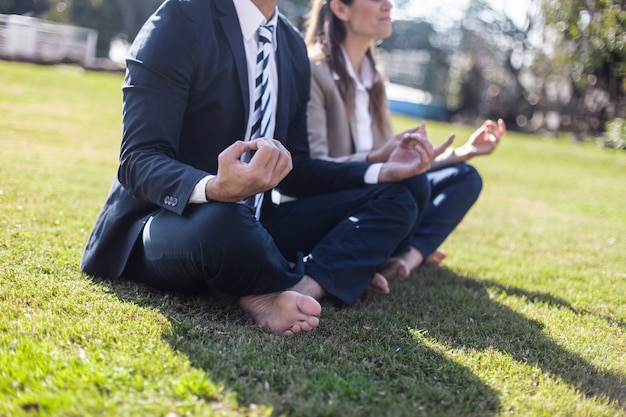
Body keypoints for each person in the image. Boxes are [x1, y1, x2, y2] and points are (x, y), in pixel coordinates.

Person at [80, 0, 444, 336]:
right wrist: (214, 187)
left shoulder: (289, 44)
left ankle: (303, 284)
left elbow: (298, 169)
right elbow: (138, 159)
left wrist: (379, 171)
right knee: (224, 221)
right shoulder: (181, 20)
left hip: (258, 223)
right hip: (168, 221)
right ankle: (289, 277)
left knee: (404, 193)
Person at [304, 0, 507, 280]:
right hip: (335, 202)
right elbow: (312, 168)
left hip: (380, 194)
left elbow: (396, 167)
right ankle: (396, 255)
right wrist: (377, 163)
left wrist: (463, 152)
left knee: (465, 177)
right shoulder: (314, 71)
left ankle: (405, 259)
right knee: (409, 186)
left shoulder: (373, 78)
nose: (388, 4)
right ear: (340, 9)